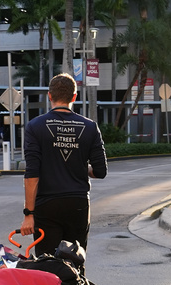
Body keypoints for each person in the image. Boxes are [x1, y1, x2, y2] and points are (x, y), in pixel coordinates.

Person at [20, 73, 107, 256]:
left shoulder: (35, 126)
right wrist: (82, 168)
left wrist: (29, 214)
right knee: (75, 260)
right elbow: (100, 171)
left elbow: (32, 174)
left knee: (47, 262)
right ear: (74, 97)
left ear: (49, 96)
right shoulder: (90, 127)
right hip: (78, 204)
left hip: (47, 206)